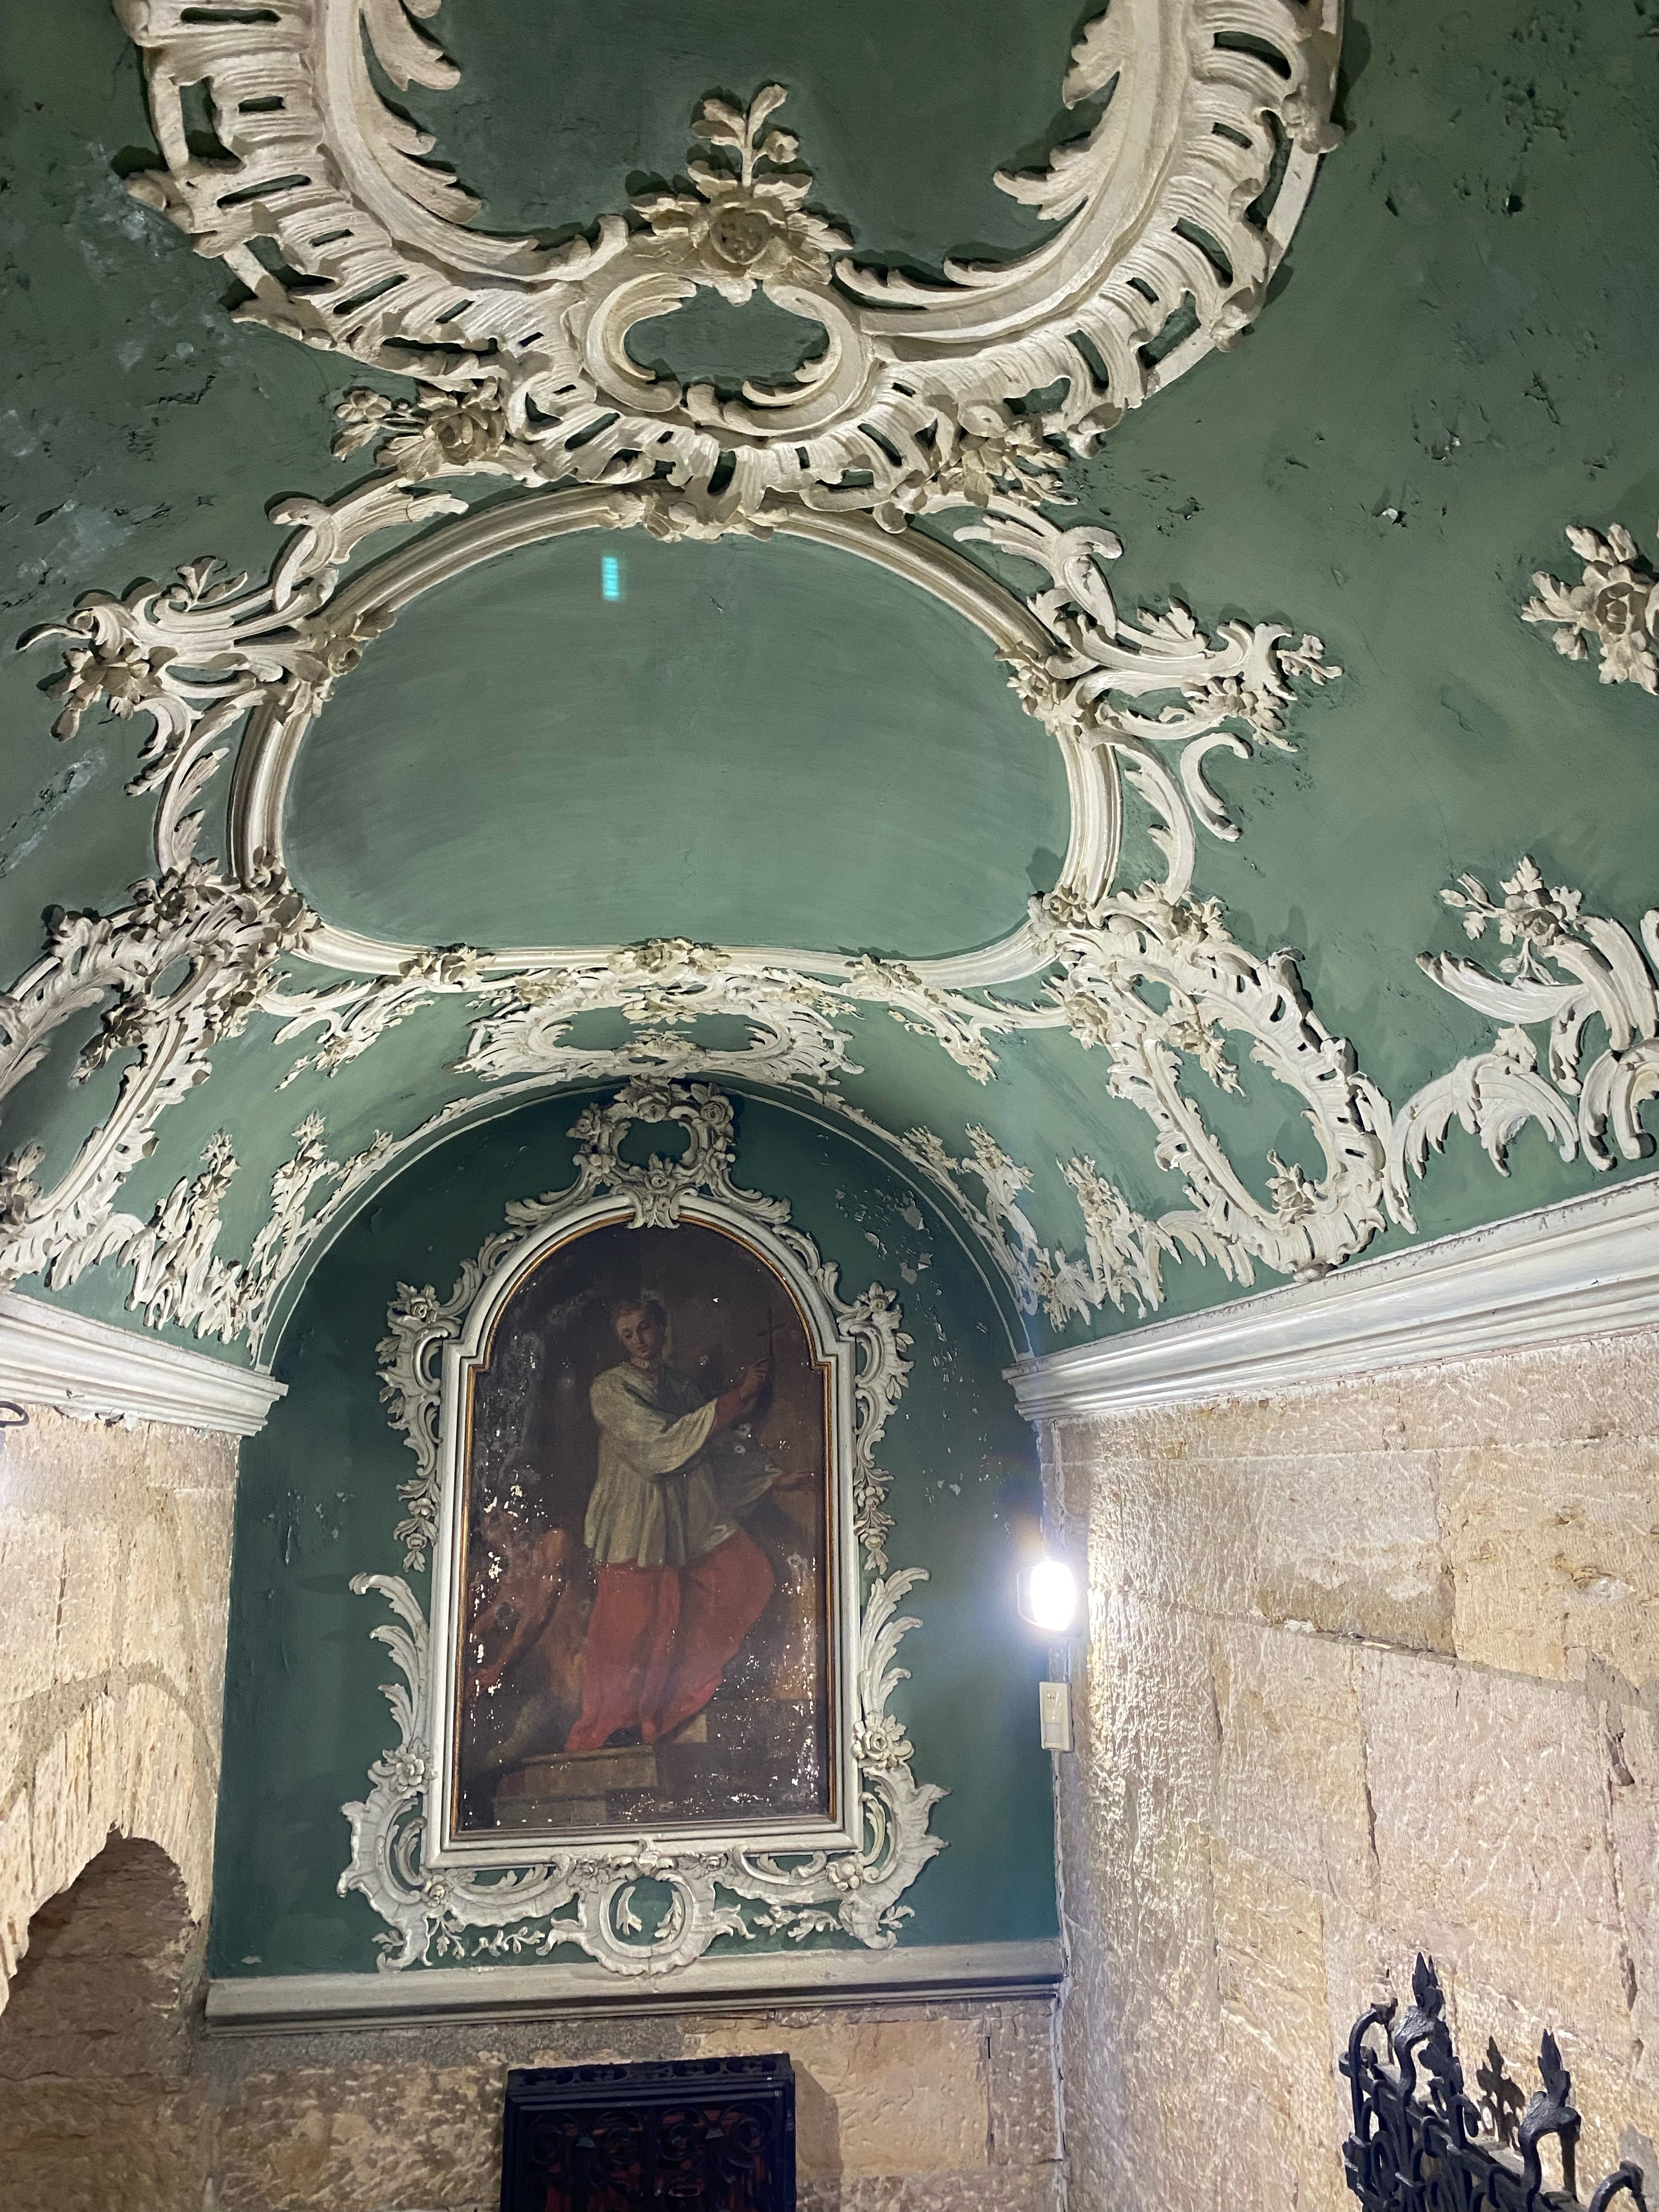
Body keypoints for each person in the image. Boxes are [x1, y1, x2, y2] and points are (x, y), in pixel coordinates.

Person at [564, 1293, 806, 1754]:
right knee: (630, 1630)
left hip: (682, 1523)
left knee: (743, 1577)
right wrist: (738, 1397)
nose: (639, 1341)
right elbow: (662, 1446)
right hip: (633, 1526)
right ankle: (609, 1727)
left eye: (645, 1328)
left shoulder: (680, 1387)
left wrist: (774, 1479)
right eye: (628, 1335)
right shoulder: (610, 1390)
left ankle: (665, 1711)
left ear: (661, 1329)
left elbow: (715, 1451)